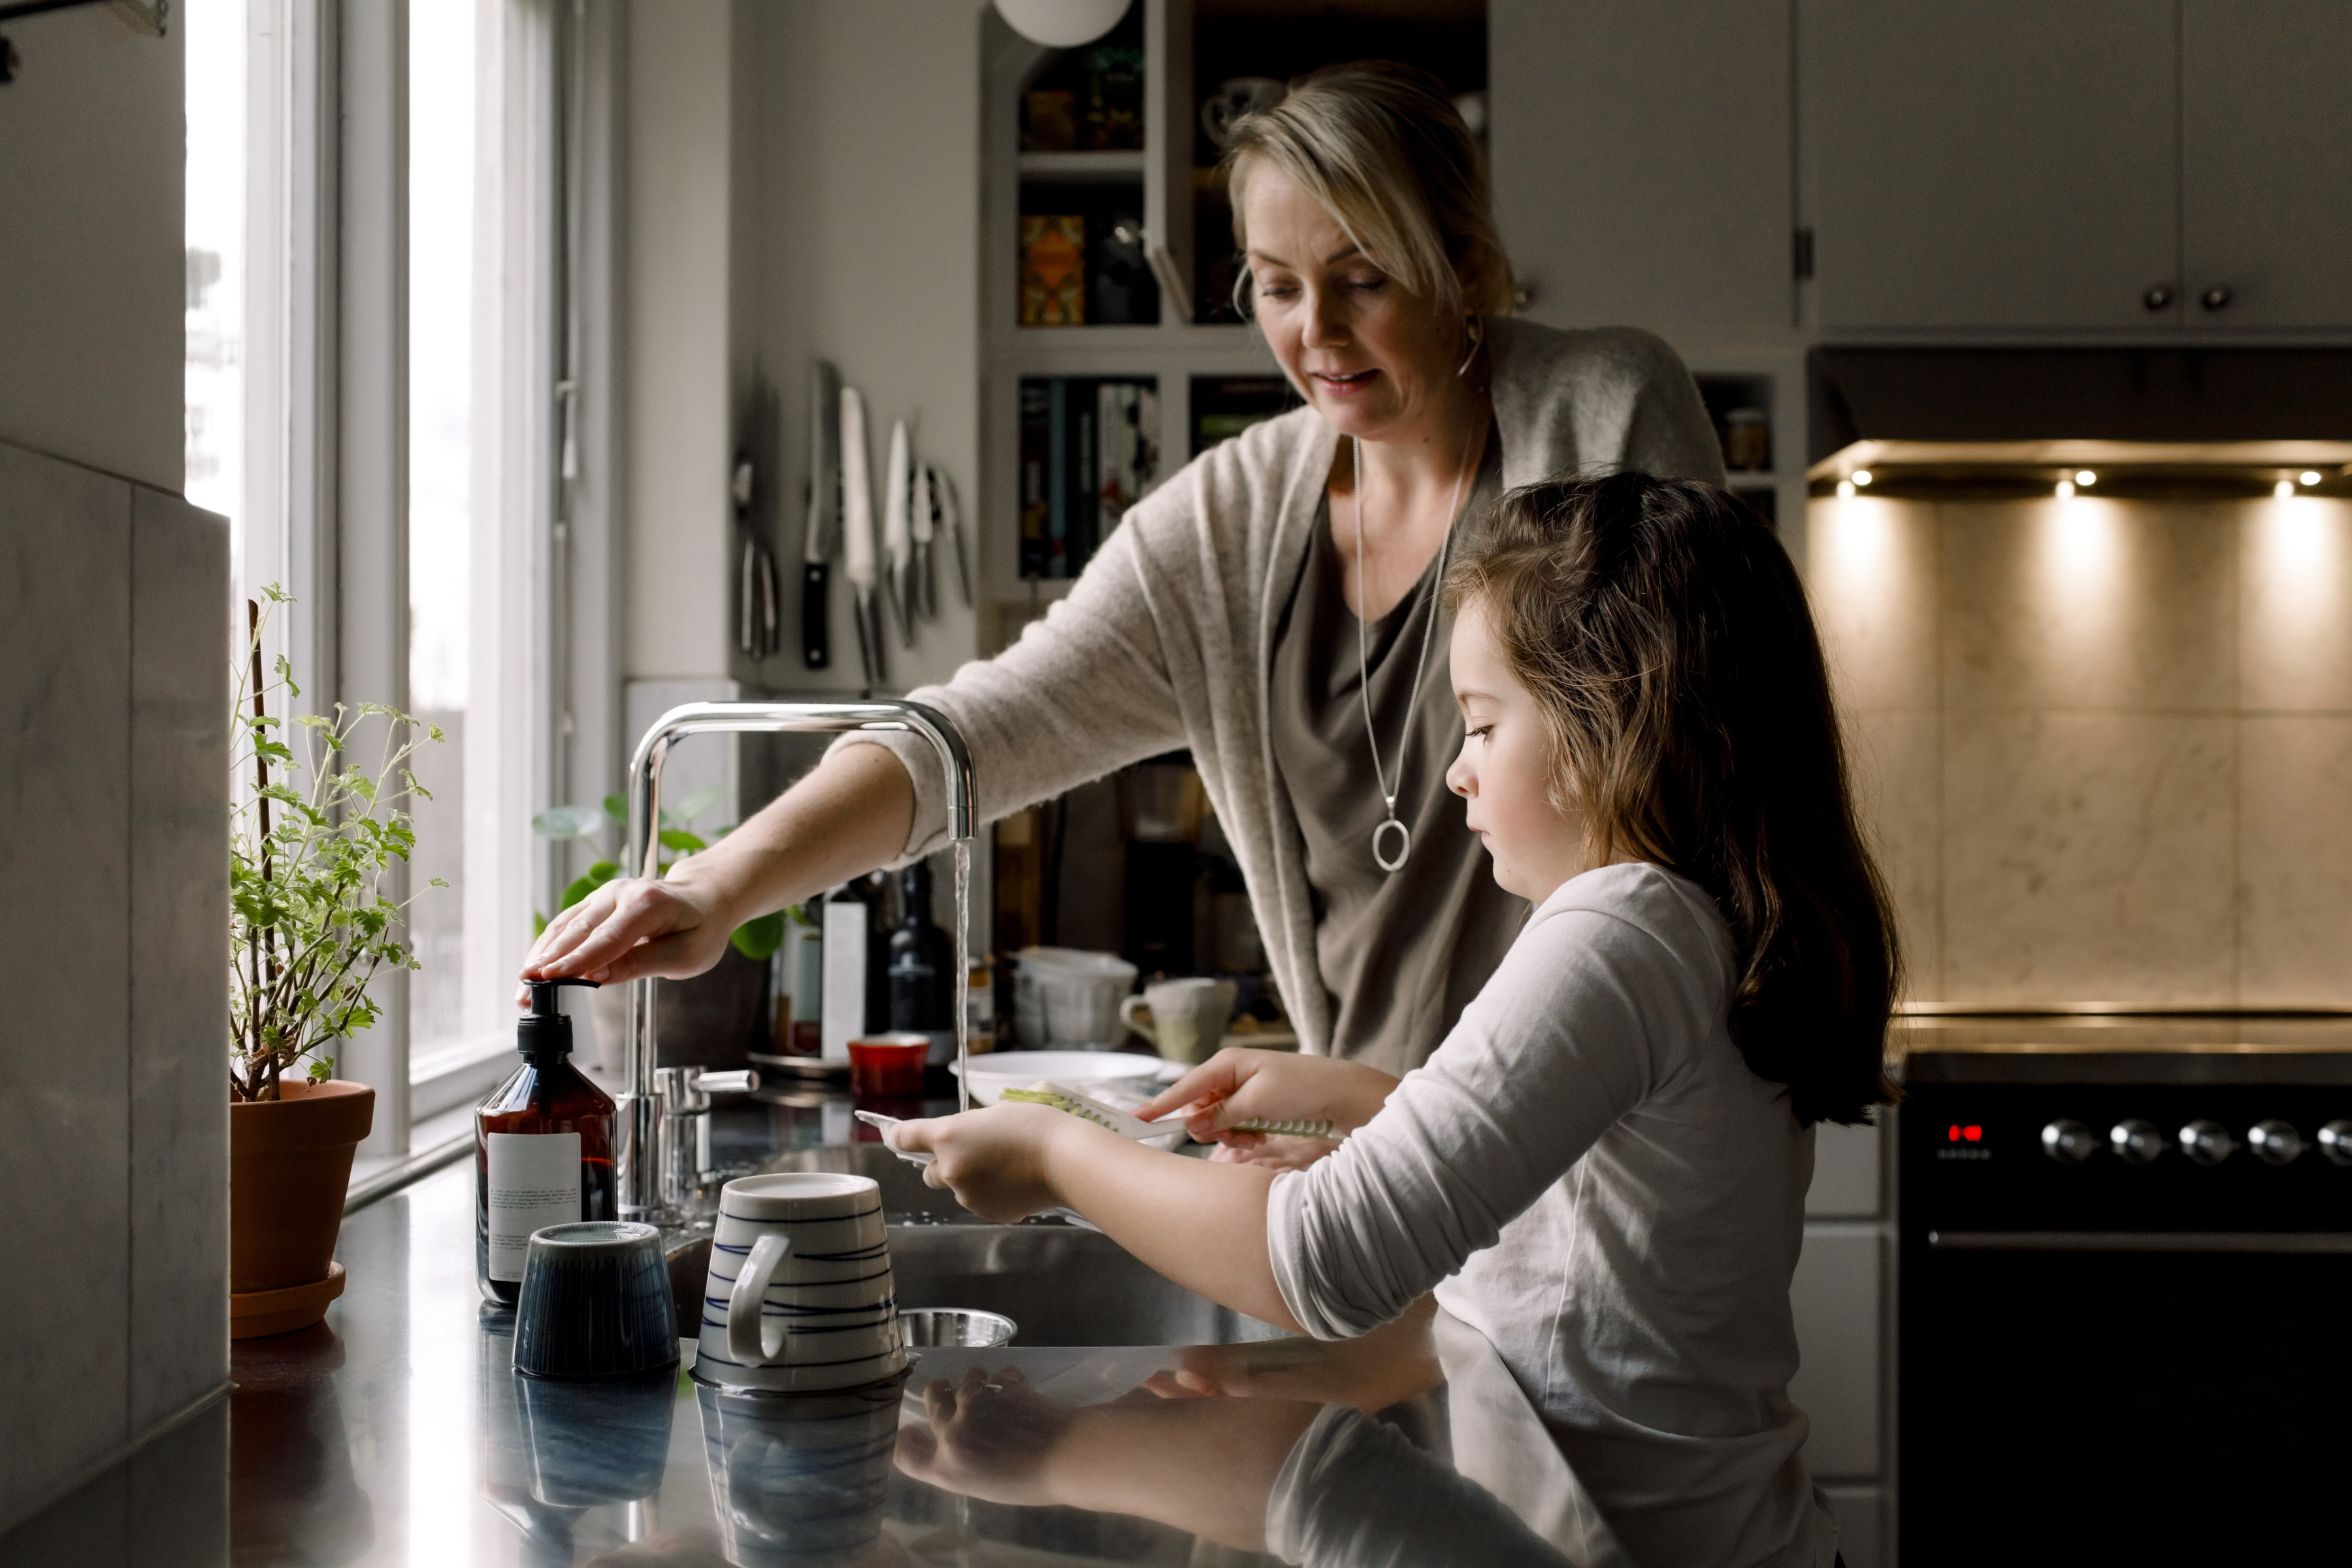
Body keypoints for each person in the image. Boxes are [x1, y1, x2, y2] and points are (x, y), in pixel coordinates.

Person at [520, 61, 1723, 1091]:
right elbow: (983, 729)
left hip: (1591, 1138)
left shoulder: (1605, 417)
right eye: (1276, 284)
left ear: (1461, 263)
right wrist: (719, 890)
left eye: (1364, 277)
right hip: (1371, 1174)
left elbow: (1693, 796)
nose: (1315, 333)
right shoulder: (1226, 526)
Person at [889, 472, 1901, 1568]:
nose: (1458, 772)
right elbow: (1609, 1192)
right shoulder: (1690, 925)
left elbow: (1326, 1262)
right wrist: (1375, 1105)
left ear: (1610, 716)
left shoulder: (1622, 928)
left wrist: (1056, 1157)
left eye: (1481, 722)